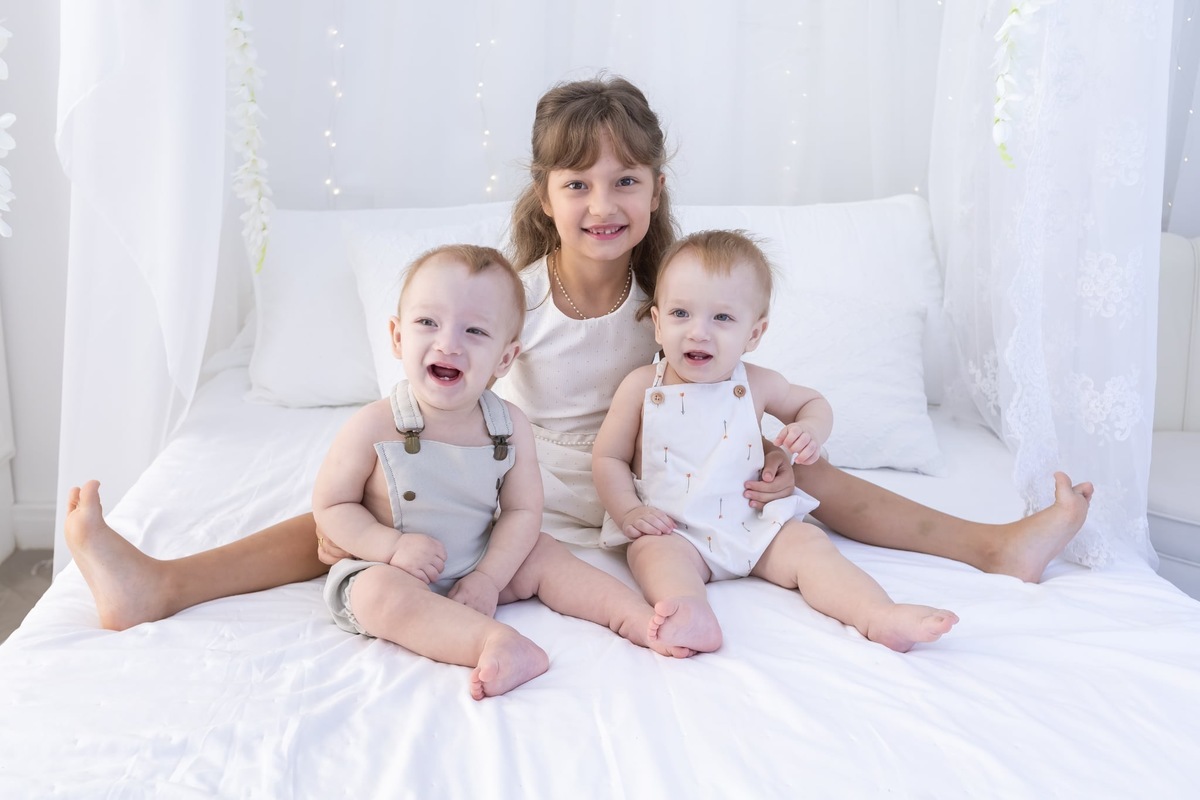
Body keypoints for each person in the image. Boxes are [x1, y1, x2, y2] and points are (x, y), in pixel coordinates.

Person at [64, 74, 1092, 644]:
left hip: (658, 489)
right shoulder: (508, 299)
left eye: (627, 181)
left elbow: (732, 389)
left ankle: (992, 547)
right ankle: (163, 584)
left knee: (813, 480)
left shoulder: (673, 303)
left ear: (655, 190)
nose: (604, 203)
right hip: (522, 489)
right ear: (545, 194)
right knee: (354, 515)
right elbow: (444, 390)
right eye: (579, 184)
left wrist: (784, 452)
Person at [593, 230, 959, 653]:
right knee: (651, 556)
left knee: (811, 547)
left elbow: (813, 403)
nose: (698, 332)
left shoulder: (759, 383)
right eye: (681, 313)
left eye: (722, 318)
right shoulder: (641, 386)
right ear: (658, 324)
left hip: (756, 526)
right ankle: (691, 613)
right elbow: (608, 457)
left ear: (754, 334)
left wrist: (810, 431)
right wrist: (628, 510)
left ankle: (877, 613)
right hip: (675, 530)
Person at [314, 244, 545, 698]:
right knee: (377, 595)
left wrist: (488, 577)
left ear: (505, 358)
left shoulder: (510, 426)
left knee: (547, 552)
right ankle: (491, 642)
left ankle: (636, 618)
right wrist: (390, 546)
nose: (448, 344)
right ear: (398, 336)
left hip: (476, 562)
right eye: (427, 322)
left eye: (475, 330)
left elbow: (523, 512)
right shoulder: (374, 424)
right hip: (390, 568)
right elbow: (332, 504)